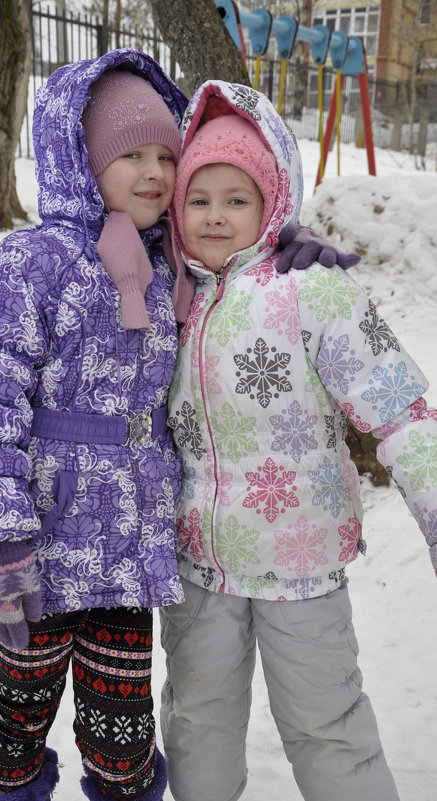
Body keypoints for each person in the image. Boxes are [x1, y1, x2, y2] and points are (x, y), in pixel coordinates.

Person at [0, 45, 358, 801]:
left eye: (166, 154)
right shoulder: (29, 264)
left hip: (130, 550)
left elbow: (230, 269)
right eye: (130, 153)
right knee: (18, 717)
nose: (156, 173)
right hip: (40, 543)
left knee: (123, 735)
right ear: (80, 157)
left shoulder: (170, 265)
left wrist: (281, 250)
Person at [161, 79, 437, 801]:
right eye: (198, 198)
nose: (215, 216)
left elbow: (398, 408)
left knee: (327, 724)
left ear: (271, 203)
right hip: (199, 566)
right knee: (195, 721)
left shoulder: (308, 288)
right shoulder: (168, 296)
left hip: (301, 563)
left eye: (236, 198)